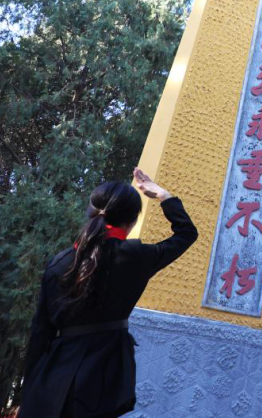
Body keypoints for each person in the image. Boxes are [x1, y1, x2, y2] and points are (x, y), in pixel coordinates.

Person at [20, 168, 198, 418]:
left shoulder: (59, 262)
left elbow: (40, 330)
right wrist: (162, 194)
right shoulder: (137, 257)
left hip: (54, 377)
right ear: (132, 221)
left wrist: (29, 390)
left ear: (91, 212)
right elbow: (187, 233)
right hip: (104, 378)